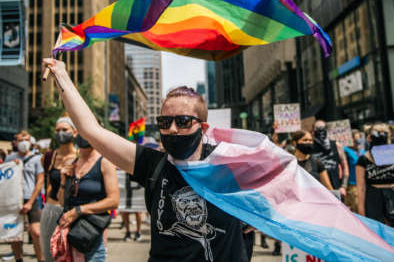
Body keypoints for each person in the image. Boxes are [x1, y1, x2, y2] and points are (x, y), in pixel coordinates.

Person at [43, 56, 253, 262]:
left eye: (182, 121)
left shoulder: (230, 165)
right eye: (164, 122)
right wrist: (61, 75)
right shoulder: (153, 164)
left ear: (203, 127)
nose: (171, 129)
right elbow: (91, 130)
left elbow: (280, 189)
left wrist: (261, 215)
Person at [57, 134, 119, 261]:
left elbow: (114, 201)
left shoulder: (104, 163)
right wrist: (64, 182)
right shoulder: (72, 164)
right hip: (70, 234)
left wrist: (79, 210)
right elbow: (62, 202)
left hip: (91, 235)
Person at [40, 114, 78, 262]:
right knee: (49, 254)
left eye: (64, 129)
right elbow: (48, 184)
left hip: (71, 213)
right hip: (51, 210)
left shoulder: (80, 156)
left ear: (74, 132)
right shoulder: (49, 156)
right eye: (57, 130)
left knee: (71, 255)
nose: (60, 133)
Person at [5, 130, 44, 262]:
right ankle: (18, 259)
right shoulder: (10, 158)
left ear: (30, 142)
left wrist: (30, 202)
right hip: (13, 199)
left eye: (26, 139)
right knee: (15, 234)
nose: (23, 142)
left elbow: (40, 181)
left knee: (36, 232)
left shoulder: (37, 158)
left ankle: (41, 259)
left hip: (30, 198)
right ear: (15, 142)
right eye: (20, 140)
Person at [356, 123, 394, 229]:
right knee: (380, 234)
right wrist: (362, 214)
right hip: (374, 199)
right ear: (369, 138)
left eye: (383, 133)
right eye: (377, 133)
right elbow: (361, 188)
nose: (380, 136)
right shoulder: (363, 159)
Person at [311, 120, 349, 198]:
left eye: (322, 128)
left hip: (335, 186)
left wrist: (343, 186)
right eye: (317, 128)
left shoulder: (336, 145)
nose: (320, 130)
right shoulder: (310, 146)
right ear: (313, 131)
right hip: (317, 189)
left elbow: (345, 166)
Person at [343, 130, 365, 212]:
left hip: (363, 184)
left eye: (358, 138)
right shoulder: (346, 150)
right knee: (356, 207)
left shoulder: (363, 151)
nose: (357, 140)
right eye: (355, 138)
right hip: (352, 184)